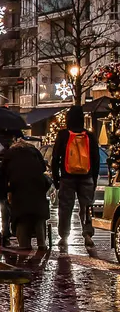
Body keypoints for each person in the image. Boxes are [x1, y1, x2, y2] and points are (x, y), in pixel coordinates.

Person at [51, 104, 101, 246]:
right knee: (87, 206)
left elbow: (55, 158)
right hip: (87, 176)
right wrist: (94, 178)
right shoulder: (89, 136)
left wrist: (56, 179)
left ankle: (64, 235)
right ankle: (87, 234)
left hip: (67, 177)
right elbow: (95, 159)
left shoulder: (63, 135)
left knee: (66, 207)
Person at [0, 132, 50, 251]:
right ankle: (42, 243)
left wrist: (6, 191)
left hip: (19, 187)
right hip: (37, 186)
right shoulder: (33, 150)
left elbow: (3, 173)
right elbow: (43, 167)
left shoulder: (9, 153)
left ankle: (24, 244)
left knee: (21, 216)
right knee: (39, 216)